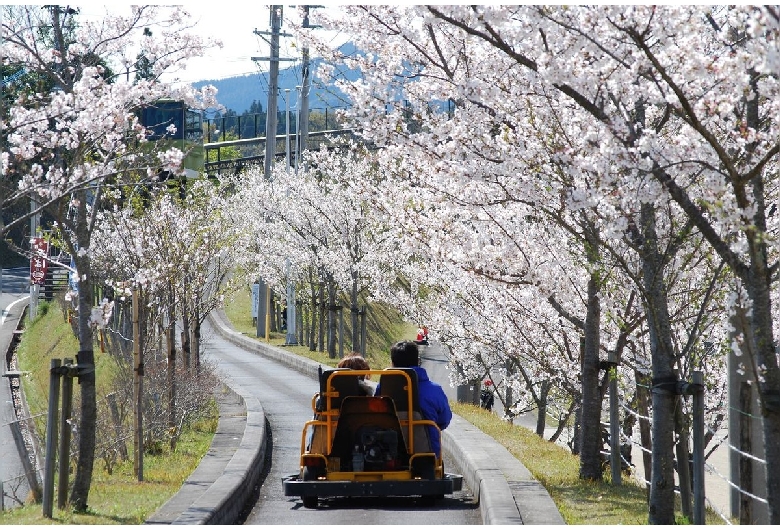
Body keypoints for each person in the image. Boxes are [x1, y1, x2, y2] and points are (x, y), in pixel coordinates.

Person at [376, 340, 452, 458]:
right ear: (417, 361)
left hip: (386, 453)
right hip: (426, 453)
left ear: (393, 363)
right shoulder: (434, 390)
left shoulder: (383, 388)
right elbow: (444, 420)